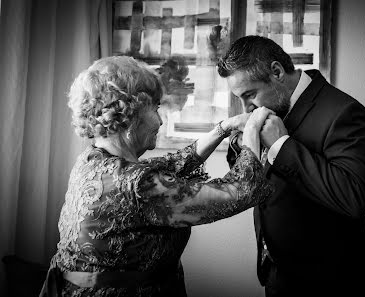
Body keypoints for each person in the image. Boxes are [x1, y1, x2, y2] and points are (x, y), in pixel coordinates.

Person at [39, 55, 274, 297]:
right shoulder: (138, 184)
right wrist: (253, 130)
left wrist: (224, 128)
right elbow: (239, 191)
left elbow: (172, 165)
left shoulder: (92, 160)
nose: (160, 120)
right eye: (156, 108)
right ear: (132, 113)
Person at [217, 35, 365, 297]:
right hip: (276, 273)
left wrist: (282, 145)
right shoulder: (268, 110)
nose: (246, 107)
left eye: (250, 94)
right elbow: (256, 177)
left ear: (277, 72)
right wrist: (241, 142)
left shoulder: (344, 111)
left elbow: (353, 196)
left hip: (329, 281)